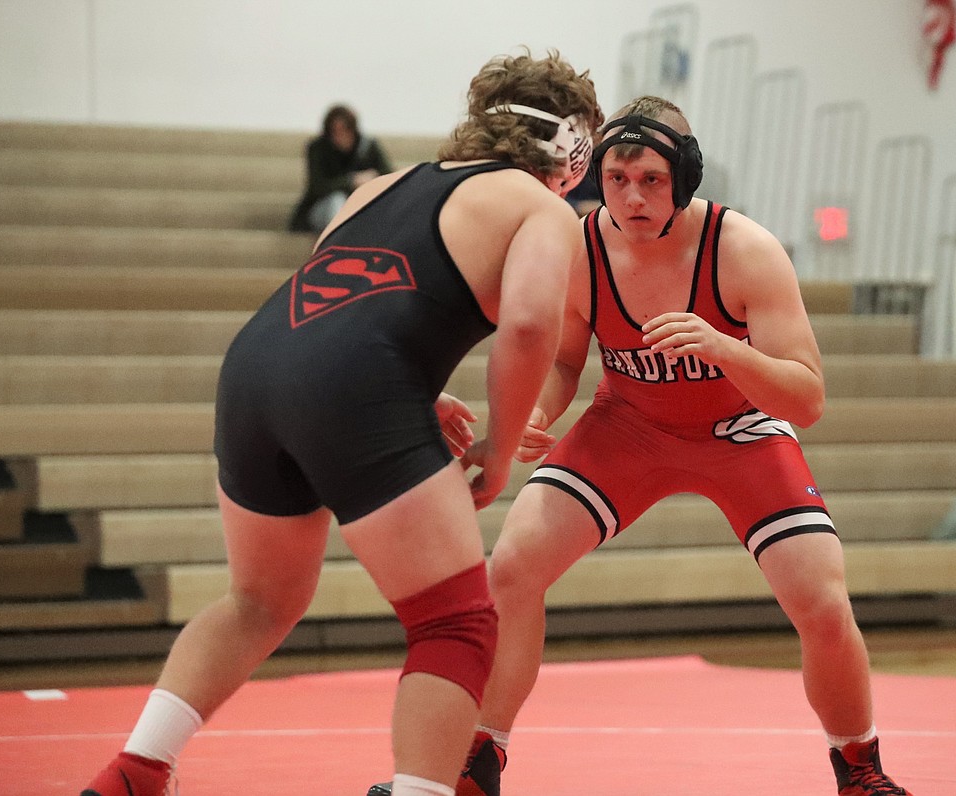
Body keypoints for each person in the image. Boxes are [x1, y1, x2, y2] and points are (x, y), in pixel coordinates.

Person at [80, 49, 601, 796]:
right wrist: (500, 446)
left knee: (261, 599)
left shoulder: (384, 184)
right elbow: (527, 328)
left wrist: (414, 394)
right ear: (572, 149)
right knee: (455, 622)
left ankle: (136, 767)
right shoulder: (539, 208)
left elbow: (340, 303)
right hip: (354, 383)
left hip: (258, 368)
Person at [373, 96, 914, 796]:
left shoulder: (741, 248)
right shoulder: (578, 245)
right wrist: (541, 408)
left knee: (820, 597)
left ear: (685, 177)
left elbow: (806, 399)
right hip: (628, 426)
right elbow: (567, 359)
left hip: (739, 432)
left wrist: (723, 348)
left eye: (651, 180)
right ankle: (482, 753)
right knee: (511, 567)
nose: (630, 196)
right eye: (618, 177)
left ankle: (859, 767)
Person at [288, 103, 395, 233]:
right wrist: (351, 181)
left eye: (345, 131)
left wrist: (371, 181)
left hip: (359, 208)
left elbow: (390, 179)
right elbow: (317, 187)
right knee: (336, 200)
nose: (340, 137)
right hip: (325, 210)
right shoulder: (318, 149)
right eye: (335, 132)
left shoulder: (368, 147)